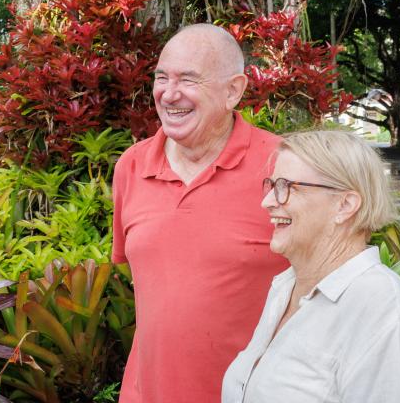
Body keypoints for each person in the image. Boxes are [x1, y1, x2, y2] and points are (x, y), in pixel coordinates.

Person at [111, 23, 288, 403]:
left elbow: (322, 284)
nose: (169, 94)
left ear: (233, 91)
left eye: (188, 80)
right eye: (161, 78)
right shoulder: (131, 165)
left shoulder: (284, 166)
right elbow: (153, 282)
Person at [221, 130, 400, 402]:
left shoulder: (379, 306)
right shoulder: (286, 287)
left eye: (287, 187)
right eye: (272, 185)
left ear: (345, 205)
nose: (268, 201)